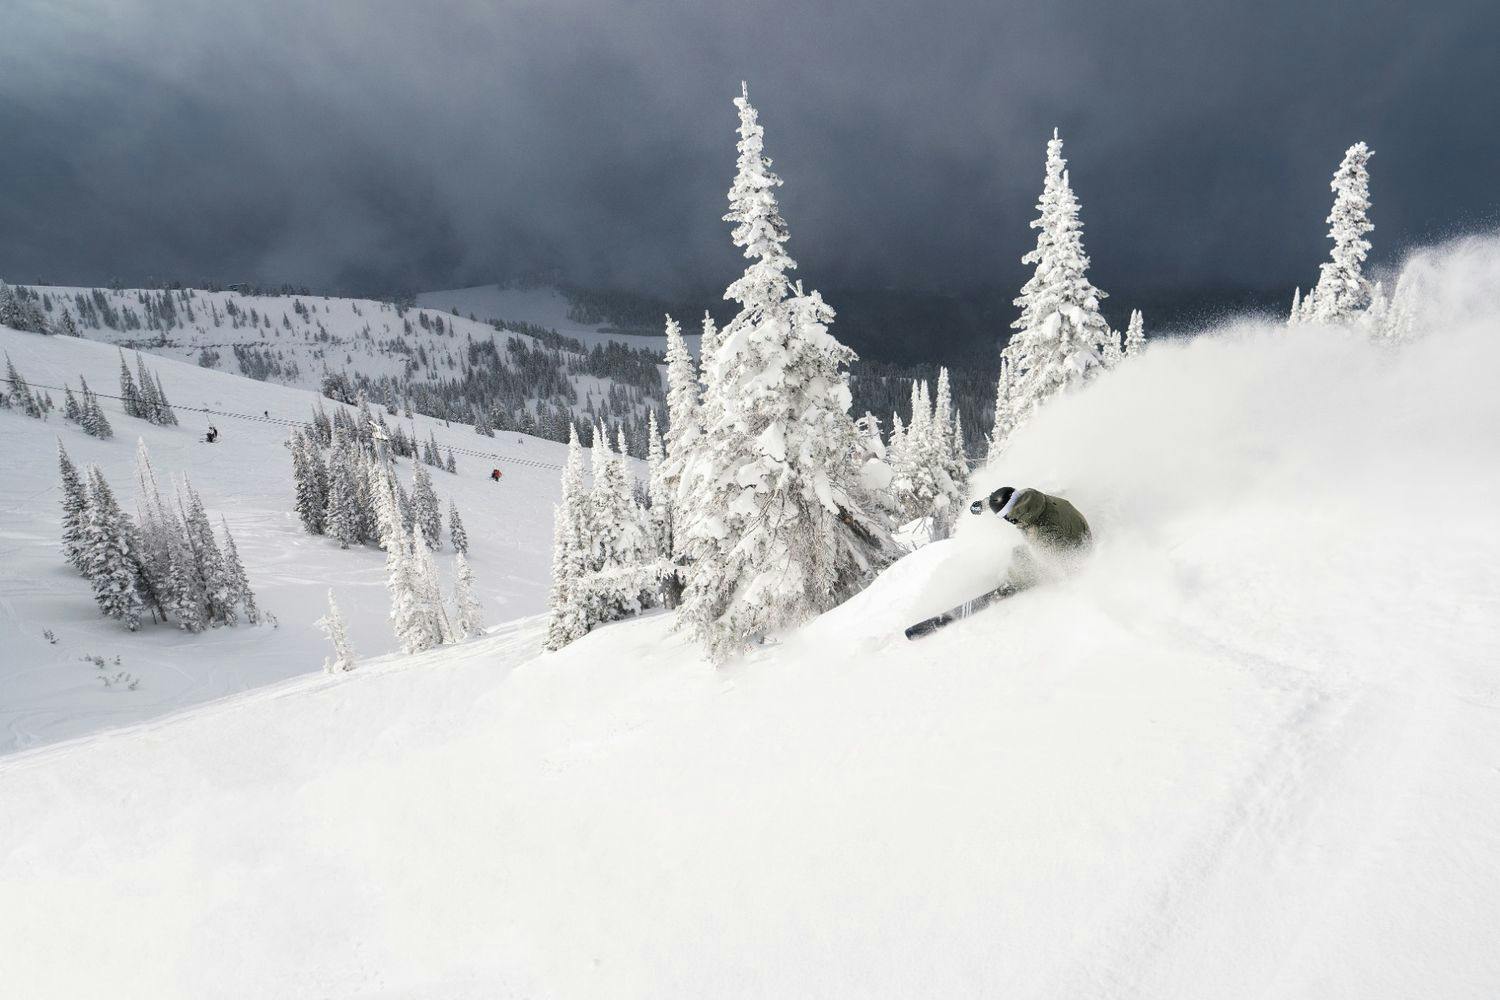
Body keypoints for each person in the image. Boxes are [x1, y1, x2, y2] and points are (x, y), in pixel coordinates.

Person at [971, 486, 1091, 589]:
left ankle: (1013, 584)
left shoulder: (1041, 530)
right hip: (1077, 523)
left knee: (1020, 554)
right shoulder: (1029, 498)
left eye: (1004, 515)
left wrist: (1023, 576)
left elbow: (1060, 559)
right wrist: (983, 505)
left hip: (1078, 543)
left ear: (1010, 515)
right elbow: (1005, 498)